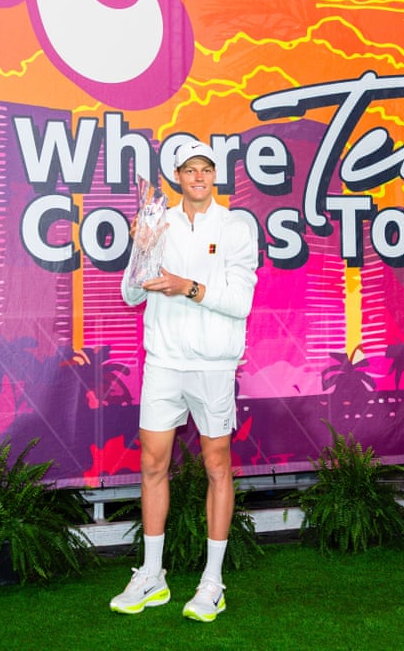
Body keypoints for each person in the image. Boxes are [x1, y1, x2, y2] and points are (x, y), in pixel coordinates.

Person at [109, 139, 259, 623]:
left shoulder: (236, 227)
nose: (197, 177)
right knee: (152, 462)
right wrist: (142, 249)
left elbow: (240, 303)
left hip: (214, 365)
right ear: (176, 177)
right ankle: (152, 575)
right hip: (164, 362)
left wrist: (186, 286)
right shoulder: (159, 221)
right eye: (189, 169)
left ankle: (212, 582)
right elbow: (131, 295)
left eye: (205, 169)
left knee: (217, 465)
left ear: (215, 176)